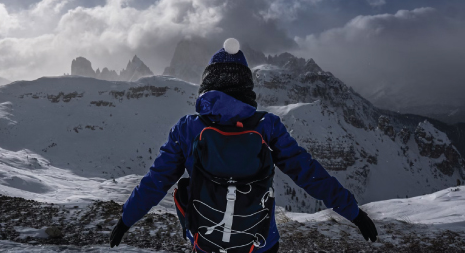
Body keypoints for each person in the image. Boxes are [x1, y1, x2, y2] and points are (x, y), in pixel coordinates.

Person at [110, 38, 378, 251]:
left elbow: (156, 182)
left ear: (207, 84)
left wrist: (125, 220)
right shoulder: (267, 125)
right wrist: (353, 213)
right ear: (247, 86)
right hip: (260, 244)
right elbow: (308, 173)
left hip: (207, 243)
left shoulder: (187, 128)